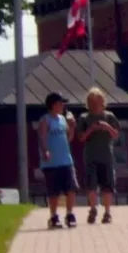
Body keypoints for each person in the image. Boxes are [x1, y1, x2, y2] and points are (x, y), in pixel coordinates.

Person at [76, 87, 120, 225]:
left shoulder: (110, 116)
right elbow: (81, 138)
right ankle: (93, 209)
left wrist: (107, 127)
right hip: (90, 156)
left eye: (97, 102)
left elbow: (116, 135)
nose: (95, 105)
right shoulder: (84, 118)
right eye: (92, 103)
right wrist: (91, 129)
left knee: (107, 186)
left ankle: (107, 212)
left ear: (103, 102)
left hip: (106, 156)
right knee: (91, 185)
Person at [39, 92, 78, 229]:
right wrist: (45, 150)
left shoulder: (63, 119)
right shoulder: (46, 120)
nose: (63, 106)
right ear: (53, 104)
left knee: (71, 188)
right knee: (54, 192)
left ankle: (70, 214)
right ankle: (54, 216)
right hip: (52, 162)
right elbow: (42, 137)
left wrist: (72, 127)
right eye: (60, 103)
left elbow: (69, 138)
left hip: (66, 160)